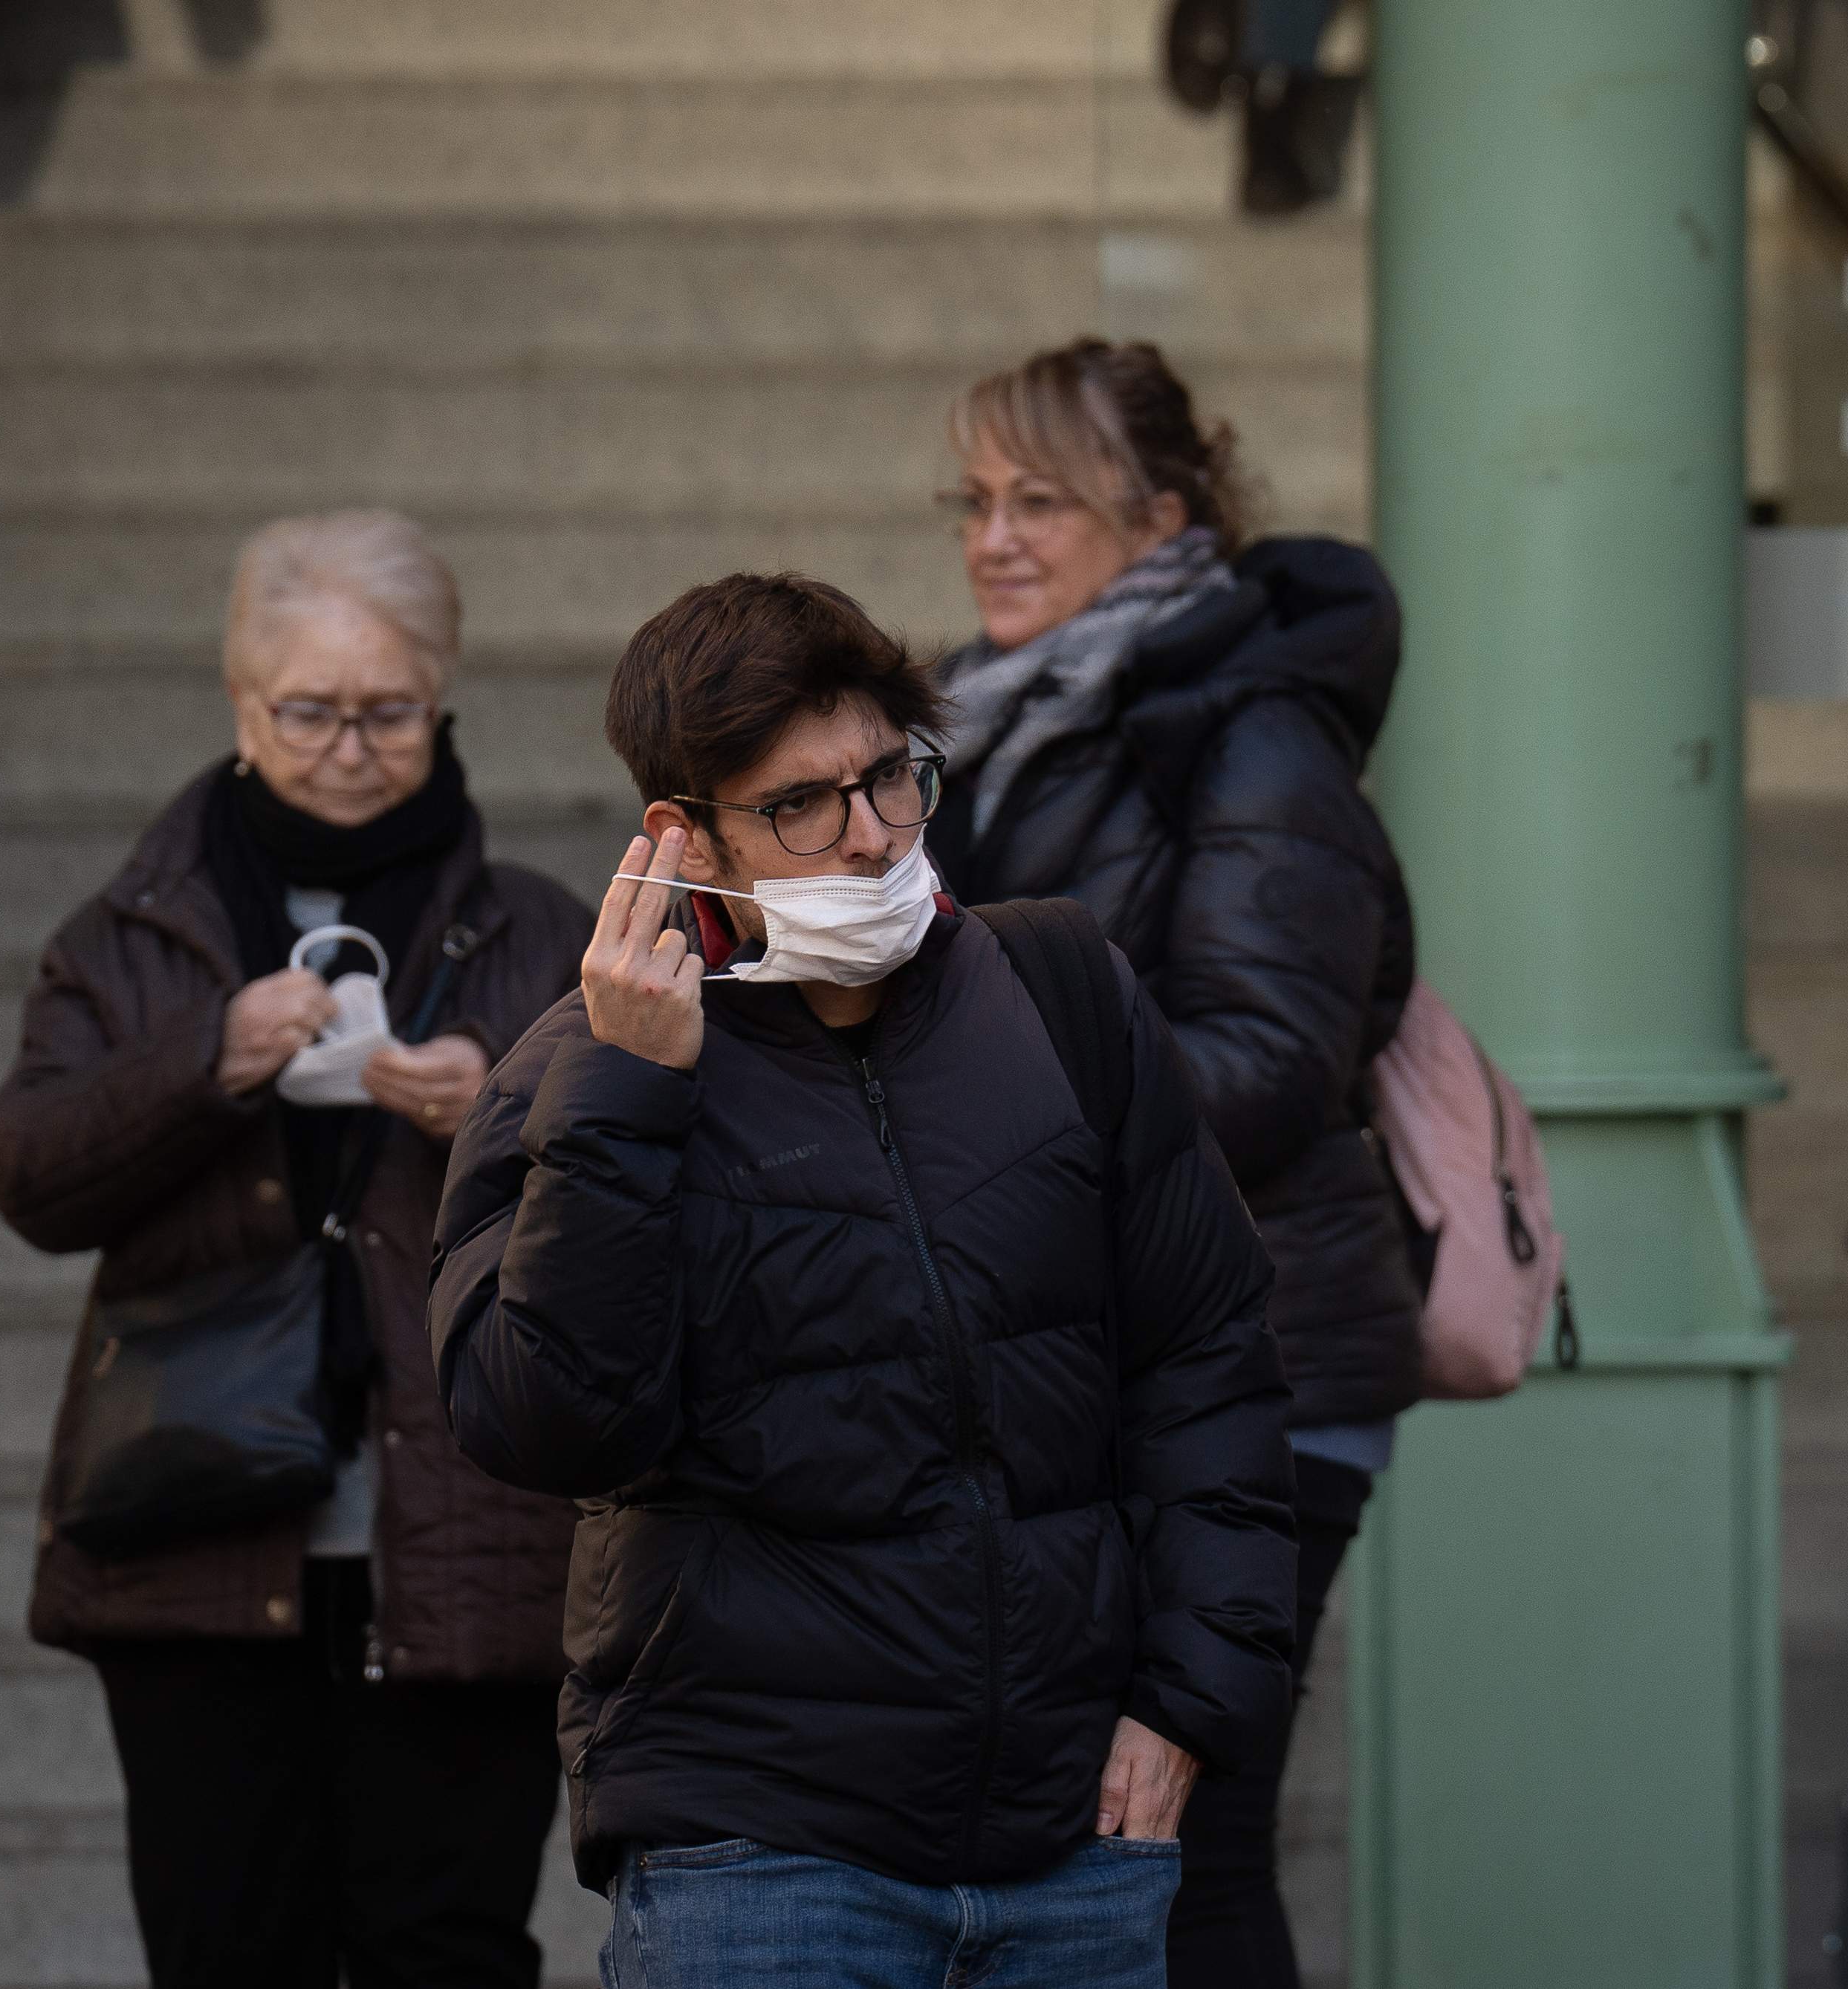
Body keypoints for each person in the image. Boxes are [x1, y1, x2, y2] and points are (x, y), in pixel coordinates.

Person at [427, 574, 1298, 1989]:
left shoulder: (1061, 988)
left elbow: (1207, 1356)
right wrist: (624, 1095)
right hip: (758, 1855)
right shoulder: (574, 1077)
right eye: (801, 807)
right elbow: (544, 1422)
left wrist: (1188, 1698)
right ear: (684, 837)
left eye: (891, 777)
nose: (870, 836)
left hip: (1073, 1843)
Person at [0, 510, 592, 1989]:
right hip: (196, 1525)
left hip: (461, 1533)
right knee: (221, 1949)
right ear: (240, 702)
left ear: (442, 697)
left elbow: (653, 1220)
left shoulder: (537, 930)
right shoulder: (133, 934)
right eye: (306, 709)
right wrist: (212, 1055)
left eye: (388, 709)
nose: (349, 745)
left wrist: (488, 1107)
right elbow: (27, 1175)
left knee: (447, 1951)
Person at [927, 337, 1424, 1989]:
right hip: (1087, 1363)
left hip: (1256, 1363)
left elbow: (1269, 1069)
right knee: (1110, 1836)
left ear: (1161, 518)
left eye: (1040, 502)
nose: (994, 538)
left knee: (1180, 1836)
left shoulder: (1247, 740)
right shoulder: (985, 727)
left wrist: (964, 1097)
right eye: (975, 502)